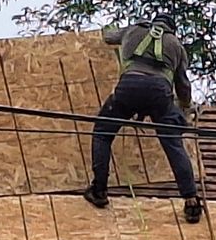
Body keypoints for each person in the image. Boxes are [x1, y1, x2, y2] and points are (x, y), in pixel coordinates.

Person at [85, 14, 204, 223]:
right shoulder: (176, 45)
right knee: (173, 142)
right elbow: (183, 86)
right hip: (160, 93)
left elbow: (109, 37)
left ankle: (99, 190)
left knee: (103, 133)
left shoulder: (134, 30)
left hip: (129, 86)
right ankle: (191, 199)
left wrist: (109, 27)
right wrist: (185, 108)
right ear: (171, 29)